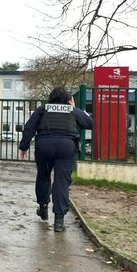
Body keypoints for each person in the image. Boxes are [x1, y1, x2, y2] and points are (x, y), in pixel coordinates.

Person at [18, 87, 93, 232]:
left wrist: (24, 146)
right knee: (61, 182)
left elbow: (29, 128)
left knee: (43, 176)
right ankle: (59, 221)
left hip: (44, 146)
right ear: (68, 99)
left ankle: (43, 208)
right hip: (66, 147)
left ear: (51, 98)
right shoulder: (71, 110)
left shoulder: (43, 109)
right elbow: (89, 123)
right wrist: (74, 108)